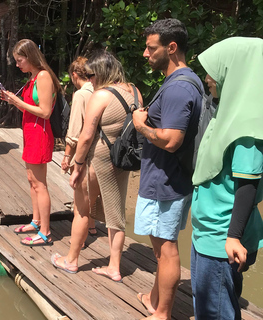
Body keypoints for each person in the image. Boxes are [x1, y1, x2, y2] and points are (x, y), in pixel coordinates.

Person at [132, 19, 203, 320]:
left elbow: (172, 140)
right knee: (160, 245)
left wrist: (141, 126)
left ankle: (162, 313)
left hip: (166, 180)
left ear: (171, 48)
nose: (145, 54)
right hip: (166, 178)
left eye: (151, 48)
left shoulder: (178, 89)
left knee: (166, 249)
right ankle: (154, 297)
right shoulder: (185, 80)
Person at [51, 49, 143, 278]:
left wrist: (77, 164)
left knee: (82, 211)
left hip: (98, 159)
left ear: (102, 71)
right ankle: (114, 267)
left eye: (92, 75)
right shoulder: (135, 92)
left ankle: (71, 260)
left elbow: (86, 135)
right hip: (122, 158)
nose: (90, 80)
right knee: (116, 214)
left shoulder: (101, 95)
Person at [191, 37, 263, 320]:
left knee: (216, 311)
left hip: (221, 237)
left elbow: (248, 184)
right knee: (208, 303)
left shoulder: (249, 127)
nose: (208, 78)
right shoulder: (227, 111)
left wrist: (233, 237)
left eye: (214, 71)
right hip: (206, 230)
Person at [0, 39, 61, 246]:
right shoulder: (32, 77)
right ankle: (36, 221)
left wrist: (17, 101)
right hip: (30, 133)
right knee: (31, 181)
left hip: (40, 134)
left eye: (20, 60)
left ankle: (45, 232)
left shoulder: (43, 76)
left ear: (31, 57)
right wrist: (13, 101)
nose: (17, 65)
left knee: (40, 184)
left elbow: (45, 112)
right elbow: (28, 109)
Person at [60, 56, 96, 241]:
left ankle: (78, 241)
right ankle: (92, 227)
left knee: (79, 199)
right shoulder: (100, 90)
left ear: (74, 75)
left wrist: (67, 156)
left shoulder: (81, 94)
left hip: (83, 153)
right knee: (90, 193)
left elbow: (74, 132)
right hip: (100, 152)